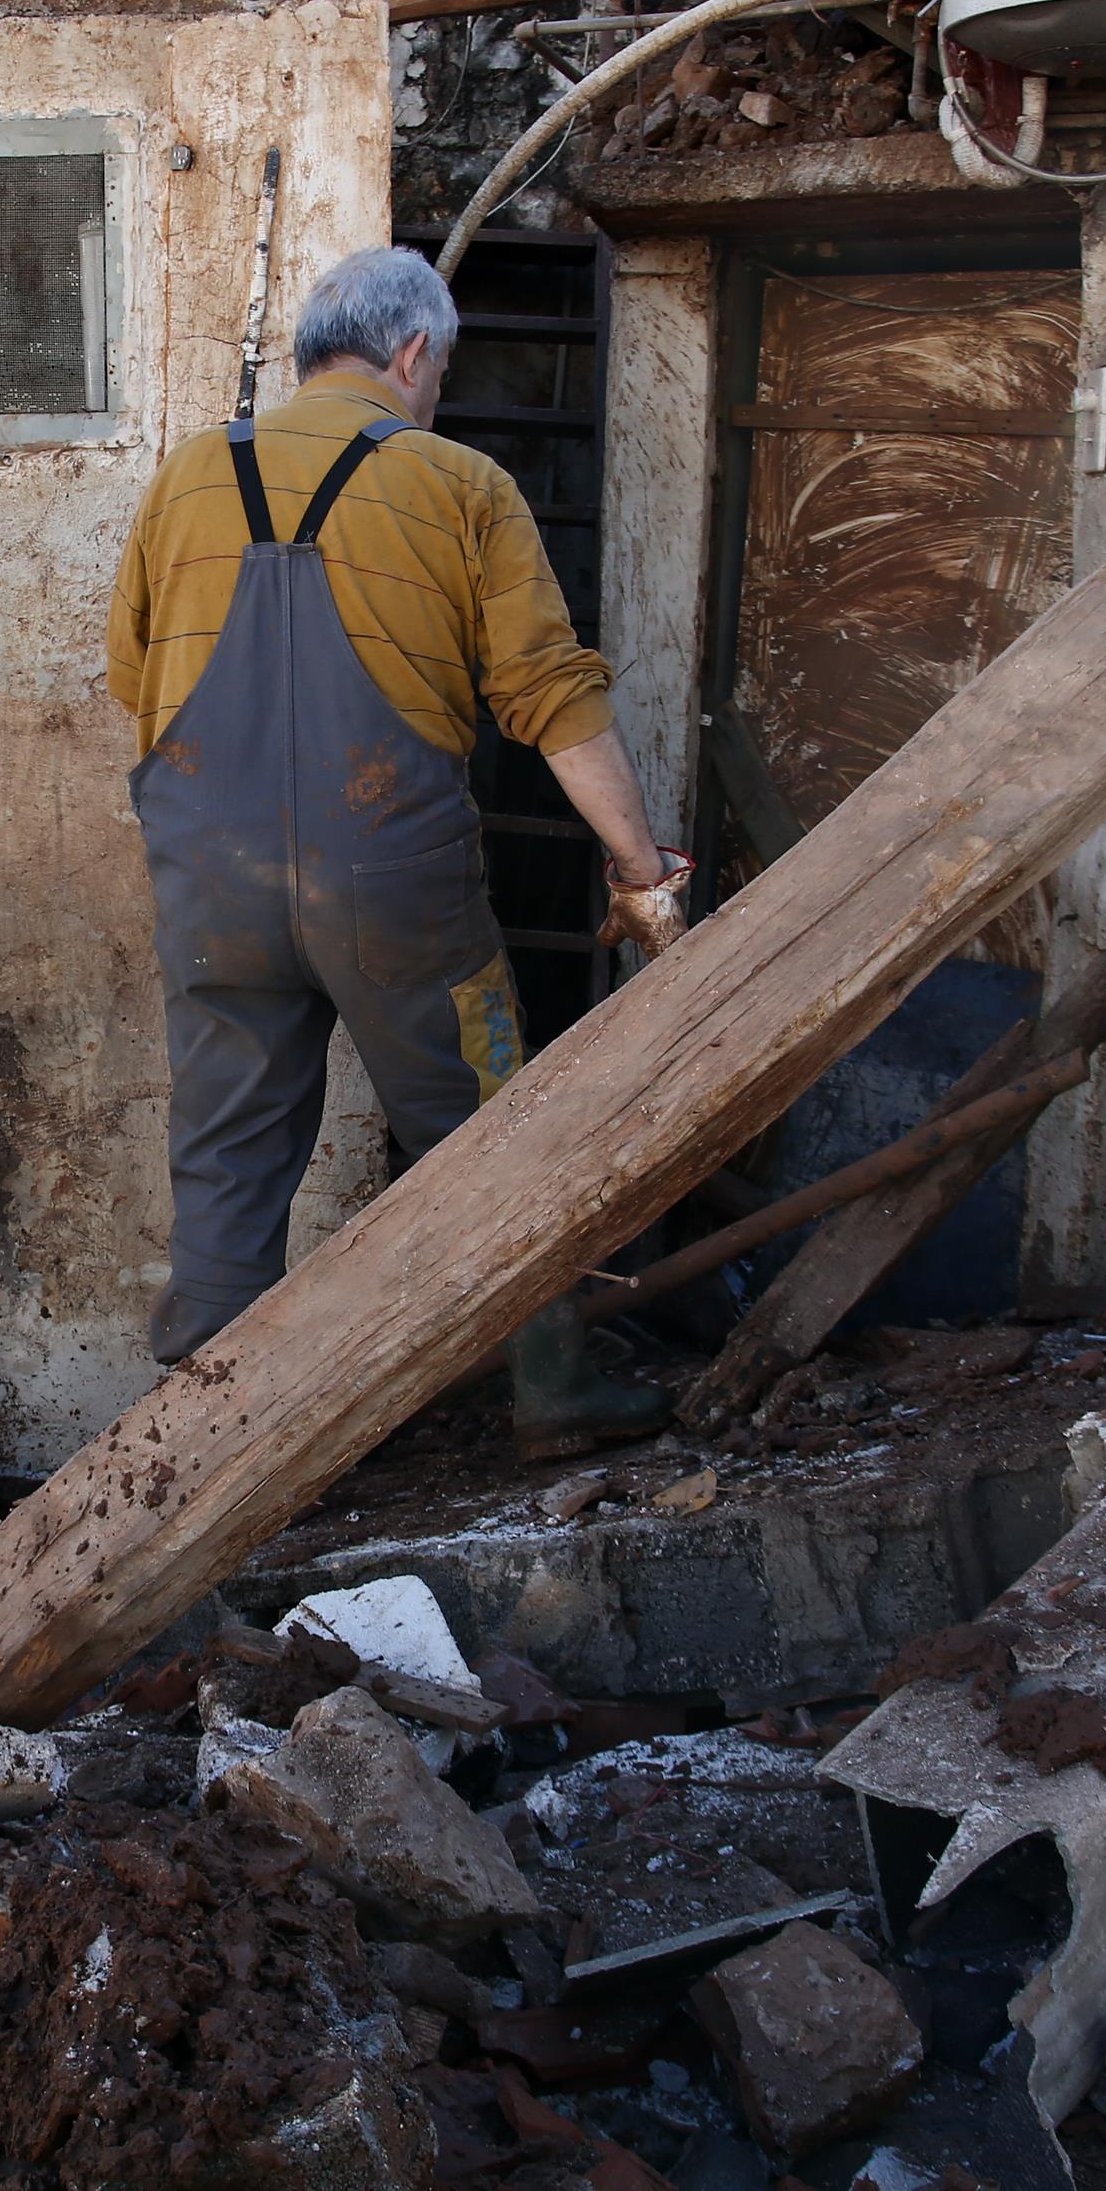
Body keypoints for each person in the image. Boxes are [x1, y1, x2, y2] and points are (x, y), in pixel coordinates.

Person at [105, 245, 686, 1460]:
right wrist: (639, 869)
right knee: (490, 1128)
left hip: (209, 883)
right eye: (440, 369)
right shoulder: (459, 483)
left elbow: (132, 677)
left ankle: (199, 1457)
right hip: (392, 879)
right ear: (413, 353)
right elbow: (551, 696)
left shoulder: (186, 479)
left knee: (226, 1159)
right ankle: (552, 1386)